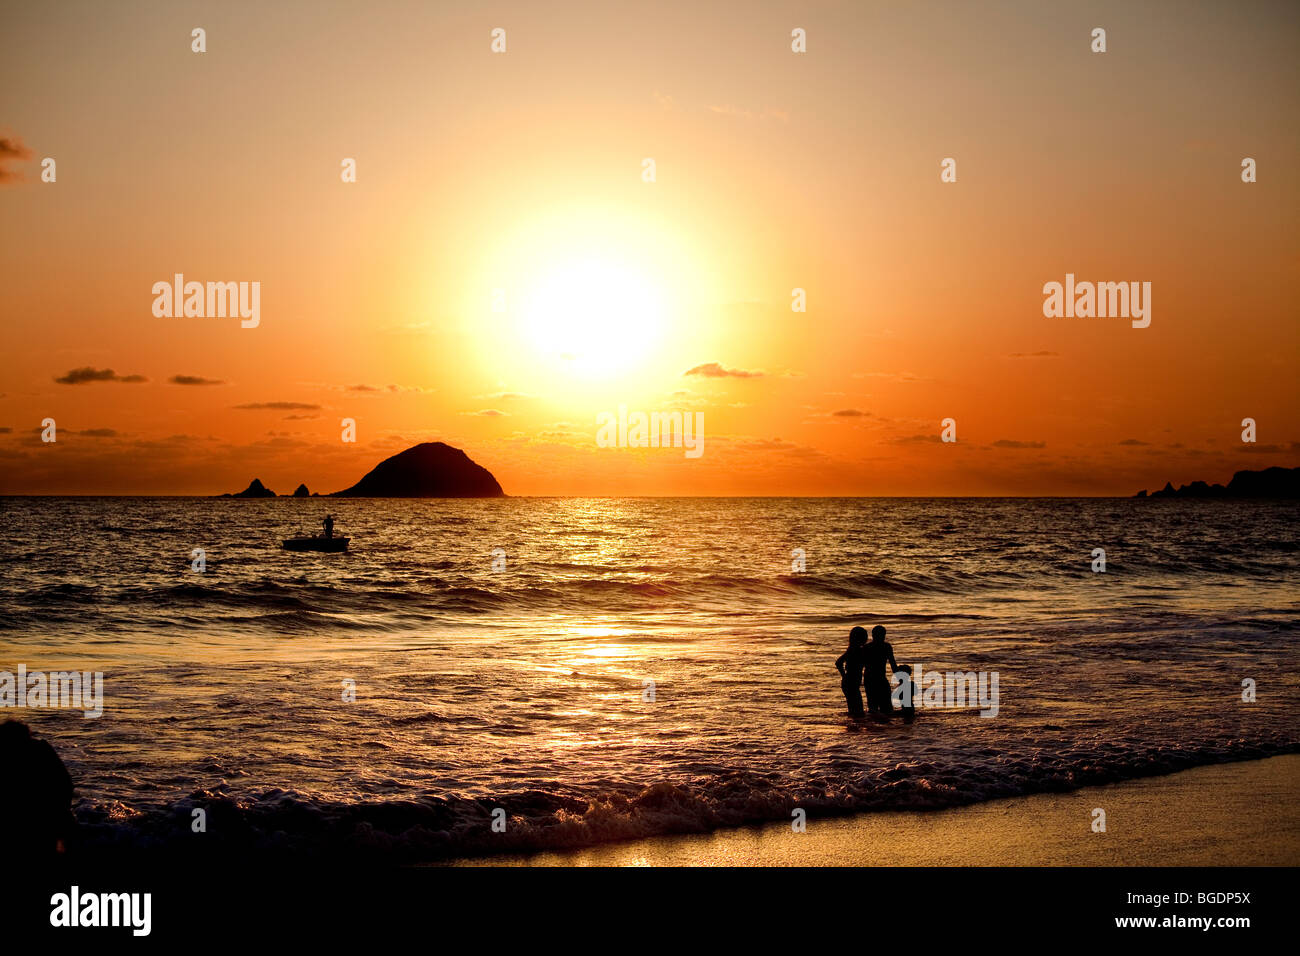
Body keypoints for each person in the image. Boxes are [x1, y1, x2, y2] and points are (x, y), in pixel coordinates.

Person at [0, 720, 75, 857]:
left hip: (45, 818)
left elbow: (65, 785)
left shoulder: (38, 751)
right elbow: (66, 784)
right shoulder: (38, 749)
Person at [864, 624, 899, 717]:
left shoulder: (867, 647)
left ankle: (876, 729)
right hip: (875, 679)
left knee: (876, 707)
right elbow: (893, 665)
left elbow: (893, 664)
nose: (882, 637)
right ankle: (881, 729)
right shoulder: (885, 647)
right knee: (882, 708)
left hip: (872, 679)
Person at [835, 626, 869, 717]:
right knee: (858, 711)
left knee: (854, 710)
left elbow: (838, 663)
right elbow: (838, 663)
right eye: (865, 637)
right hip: (851, 682)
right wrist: (845, 676)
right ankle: (853, 729)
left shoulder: (852, 649)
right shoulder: (856, 650)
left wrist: (844, 676)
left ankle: (852, 729)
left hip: (849, 682)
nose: (866, 639)